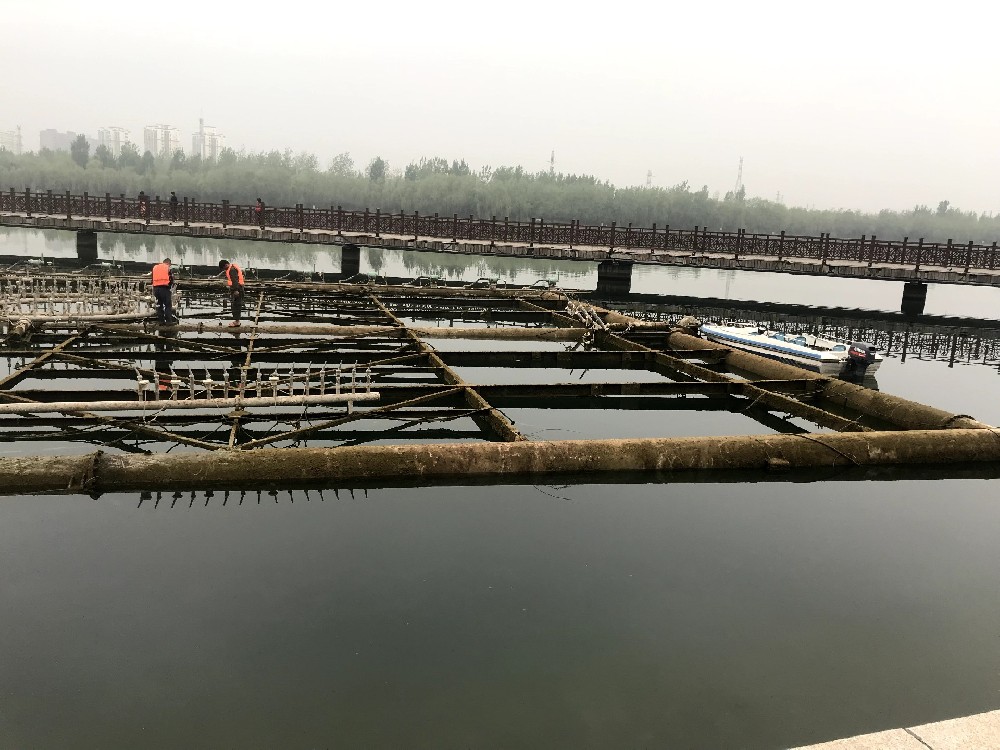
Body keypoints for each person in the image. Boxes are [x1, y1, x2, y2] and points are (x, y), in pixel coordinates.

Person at [218, 259, 245, 327]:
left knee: (236, 306)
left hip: (238, 290)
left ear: (226, 265)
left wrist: (235, 290)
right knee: (236, 305)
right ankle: (237, 321)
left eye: (224, 268)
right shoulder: (233, 268)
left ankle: (237, 322)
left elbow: (235, 281)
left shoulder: (231, 270)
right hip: (239, 288)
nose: (224, 270)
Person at [151, 257, 176, 325]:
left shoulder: (155, 267)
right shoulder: (167, 268)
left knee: (159, 305)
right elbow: (171, 279)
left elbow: (152, 278)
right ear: (168, 263)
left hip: (156, 289)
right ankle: (168, 322)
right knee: (168, 305)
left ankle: (161, 321)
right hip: (164, 288)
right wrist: (170, 286)